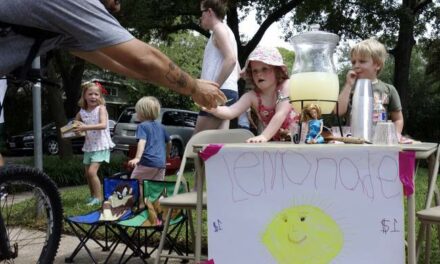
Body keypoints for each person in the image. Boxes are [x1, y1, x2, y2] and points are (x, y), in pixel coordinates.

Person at [0, 0, 226, 110]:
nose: (117, 8)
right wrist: (194, 88)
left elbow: (133, 68)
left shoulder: (65, 27)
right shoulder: (75, 3)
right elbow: (144, 59)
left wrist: (187, 85)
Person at [203, 46, 296, 143]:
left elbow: (281, 113)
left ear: (278, 70)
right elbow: (231, 111)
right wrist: (213, 108)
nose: (259, 74)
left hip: (302, 138)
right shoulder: (252, 96)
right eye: (254, 71)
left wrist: (264, 136)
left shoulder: (286, 85)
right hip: (278, 143)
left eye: (265, 69)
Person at [335, 38, 405, 141]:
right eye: (353, 62)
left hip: (379, 142)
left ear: (377, 65)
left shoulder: (389, 89)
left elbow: (398, 119)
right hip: (354, 142)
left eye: (362, 61)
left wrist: (396, 134)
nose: (356, 66)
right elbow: (338, 112)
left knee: (406, 156)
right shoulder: (350, 88)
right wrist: (348, 85)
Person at [193, 0, 239, 134]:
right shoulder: (227, 31)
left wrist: (213, 88)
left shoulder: (219, 29)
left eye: (201, 13)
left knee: (196, 143)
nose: (200, 17)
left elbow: (231, 60)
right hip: (227, 91)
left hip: (219, 93)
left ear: (209, 12)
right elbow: (235, 65)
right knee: (216, 146)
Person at [74, 81, 115, 206]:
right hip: (89, 146)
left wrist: (85, 127)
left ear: (100, 97)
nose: (93, 97)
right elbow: (75, 124)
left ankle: (98, 197)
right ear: (84, 96)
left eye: (96, 94)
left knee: (92, 172)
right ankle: (92, 196)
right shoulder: (82, 112)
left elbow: (103, 125)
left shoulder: (101, 109)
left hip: (101, 145)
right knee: (87, 174)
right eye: (90, 94)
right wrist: (75, 130)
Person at [127, 96, 171, 209]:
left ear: (142, 112)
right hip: (161, 164)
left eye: (137, 111)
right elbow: (169, 142)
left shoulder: (142, 126)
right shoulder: (161, 127)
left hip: (147, 162)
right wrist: (167, 155)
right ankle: (157, 206)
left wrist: (137, 158)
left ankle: (141, 204)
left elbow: (142, 142)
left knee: (137, 182)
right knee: (156, 185)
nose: (136, 114)